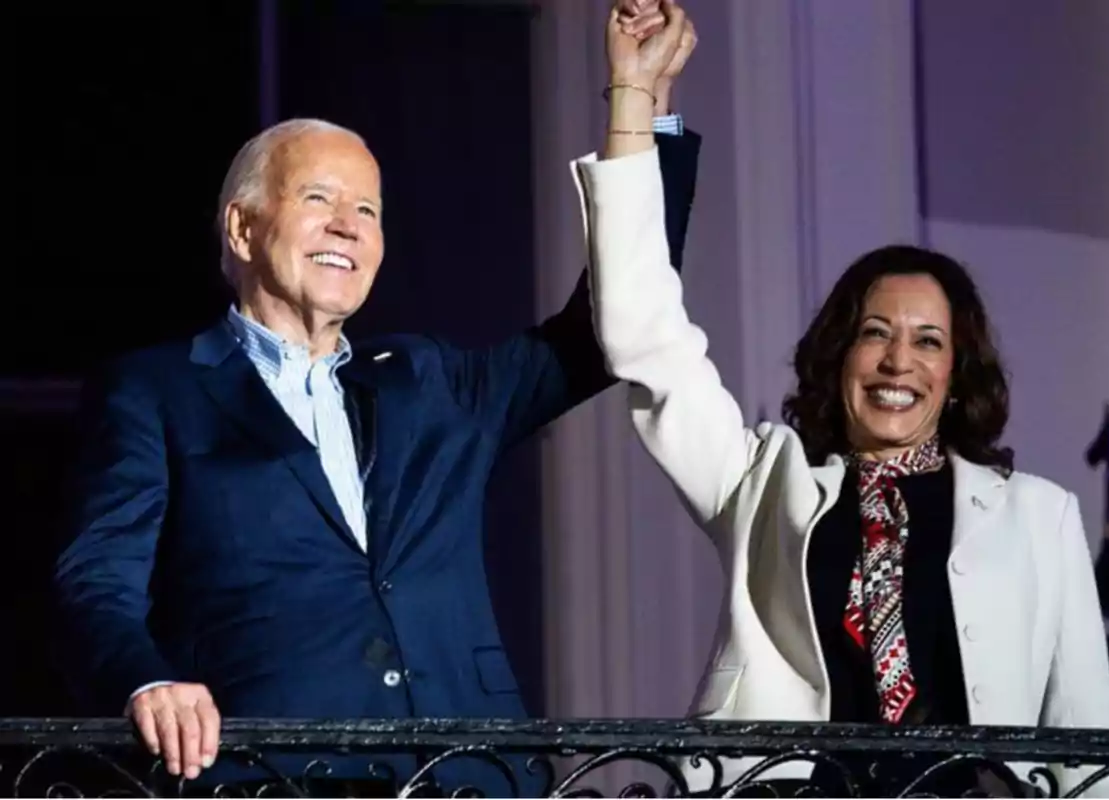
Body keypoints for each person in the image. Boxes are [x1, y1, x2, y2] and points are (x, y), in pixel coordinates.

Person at [52, 4, 698, 794]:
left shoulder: (430, 381)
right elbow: (97, 583)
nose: (349, 227)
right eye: (320, 199)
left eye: (369, 210)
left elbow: (613, 323)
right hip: (275, 779)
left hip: (472, 776)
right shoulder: (157, 390)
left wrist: (638, 102)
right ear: (244, 227)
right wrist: (146, 684)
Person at [574, 2, 1109, 796]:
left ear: (956, 372)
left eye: (929, 341)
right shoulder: (763, 485)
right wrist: (633, 96)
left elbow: (1088, 751)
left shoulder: (1041, 518)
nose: (898, 360)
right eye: (876, 332)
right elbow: (640, 336)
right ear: (840, 354)